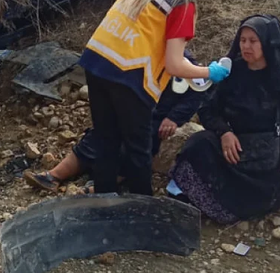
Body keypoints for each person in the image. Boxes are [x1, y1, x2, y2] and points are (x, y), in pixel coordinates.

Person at [77, 0, 229, 196]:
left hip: (97, 61)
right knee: (139, 150)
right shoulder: (183, 2)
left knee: (106, 141)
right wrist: (209, 72)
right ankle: (142, 213)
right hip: (130, 75)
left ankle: (101, 206)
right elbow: (174, 64)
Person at [169, 14, 280, 224]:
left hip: (276, 153)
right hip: (236, 152)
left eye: (253, 41)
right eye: (243, 40)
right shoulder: (231, 71)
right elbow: (207, 107)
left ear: (268, 42)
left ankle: (232, 201)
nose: (246, 46)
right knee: (198, 144)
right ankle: (217, 202)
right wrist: (224, 132)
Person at [25, 51, 208, 193]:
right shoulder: (141, 54)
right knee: (103, 132)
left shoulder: (186, 64)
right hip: (133, 106)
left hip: (157, 117)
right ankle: (53, 176)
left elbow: (197, 94)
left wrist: (174, 118)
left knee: (140, 143)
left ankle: (106, 187)